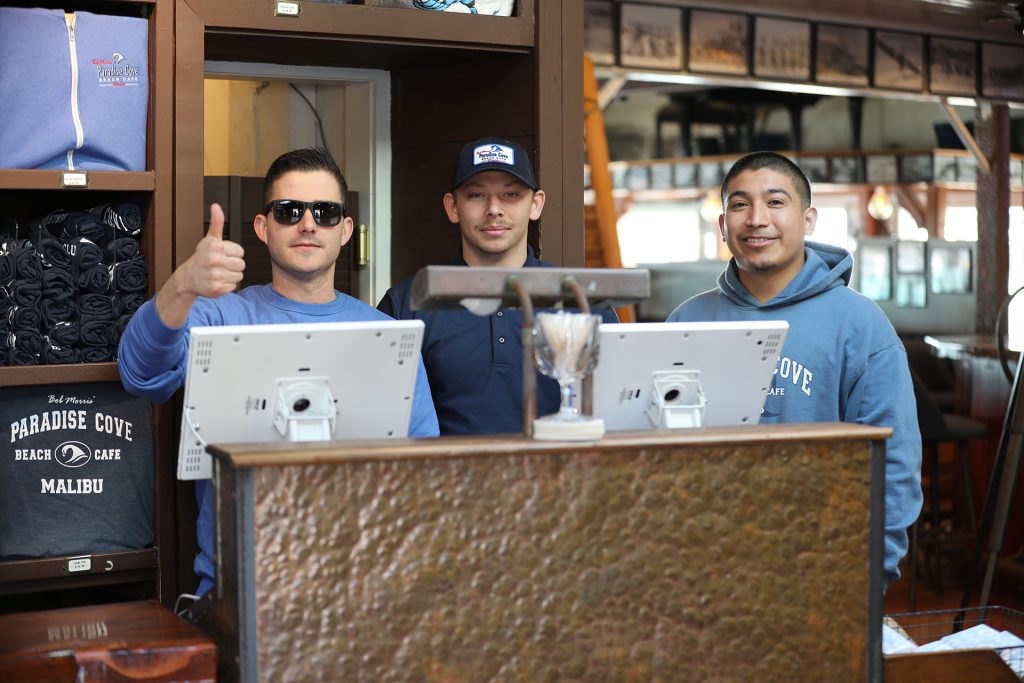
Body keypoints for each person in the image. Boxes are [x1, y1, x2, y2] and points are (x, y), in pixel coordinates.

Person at [118, 147, 439, 595]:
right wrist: (184, 284)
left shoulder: (385, 333)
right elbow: (139, 374)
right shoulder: (218, 316)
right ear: (263, 227)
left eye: (325, 213)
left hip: (360, 587)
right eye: (290, 211)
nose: (308, 224)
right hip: (241, 588)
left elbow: (423, 469)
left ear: (346, 230)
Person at [667, 151, 922, 585]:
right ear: (723, 224)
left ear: (808, 220)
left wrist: (872, 569)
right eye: (740, 204)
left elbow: (892, 458)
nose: (756, 219)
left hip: (825, 565)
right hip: (703, 566)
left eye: (776, 202)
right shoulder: (687, 322)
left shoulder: (859, 324)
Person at [378, 136, 617, 435]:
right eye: (477, 195)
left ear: (536, 204)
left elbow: (620, 411)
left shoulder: (581, 300)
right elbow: (386, 422)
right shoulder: (409, 301)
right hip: (446, 479)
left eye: (511, 195)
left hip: (559, 478)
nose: (494, 209)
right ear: (453, 207)